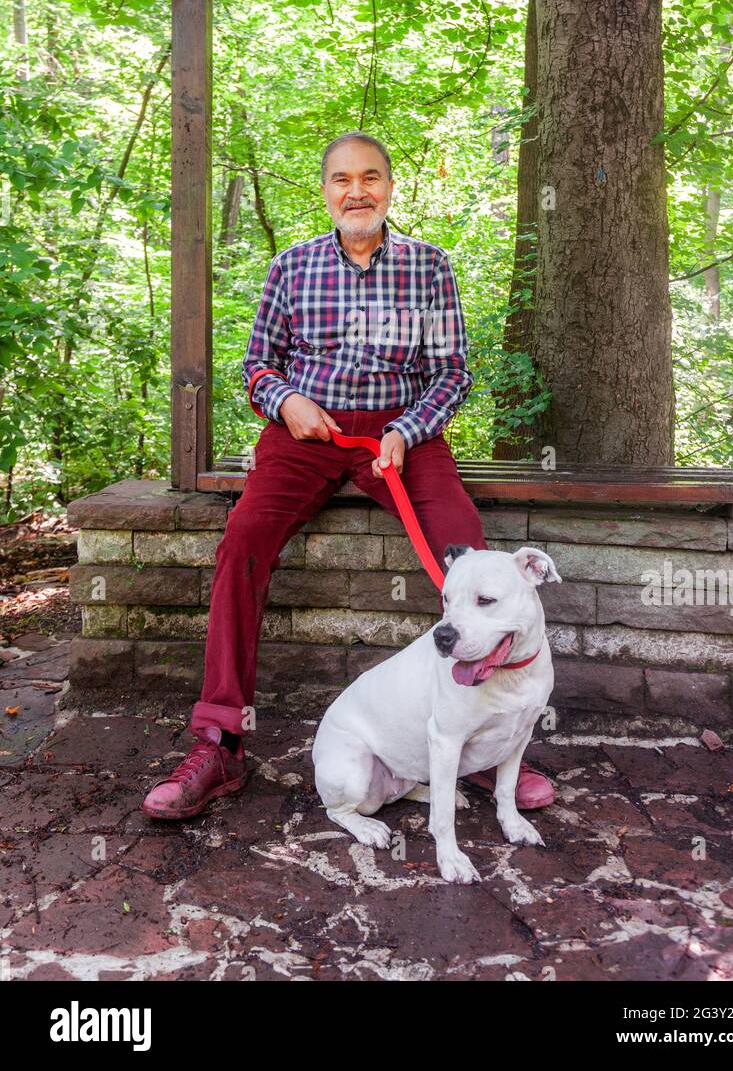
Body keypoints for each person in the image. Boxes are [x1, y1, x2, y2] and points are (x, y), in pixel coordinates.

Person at [142, 131, 555, 820]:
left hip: (401, 432)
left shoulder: (429, 267)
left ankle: (477, 743)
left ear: (390, 187)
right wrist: (286, 401)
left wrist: (405, 431)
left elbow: (451, 374)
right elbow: (257, 365)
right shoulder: (291, 267)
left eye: (369, 178)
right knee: (242, 541)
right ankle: (218, 742)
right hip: (307, 433)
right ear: (326, 190)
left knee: (465, 549)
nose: (355, 191)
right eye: (341, 179)